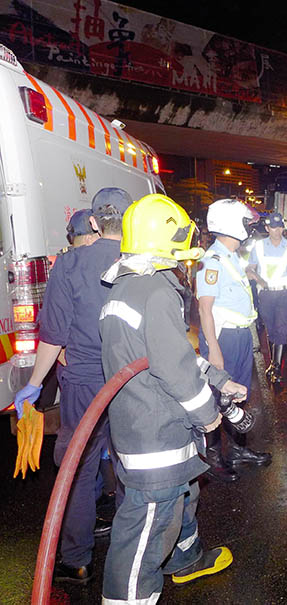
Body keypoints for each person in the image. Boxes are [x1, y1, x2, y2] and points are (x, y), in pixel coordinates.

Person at [99, 194, 245, 602]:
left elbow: (171, 353)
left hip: (143, 423)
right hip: (155, 432)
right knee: (147, 523)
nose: (186, 263)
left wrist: (219, 380)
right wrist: (209, 414)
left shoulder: (128, 285)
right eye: (182, 253)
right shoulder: (157, 292)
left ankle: (185, 558)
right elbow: (175, 370)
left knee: (184, 492)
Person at [13, 187, 131, 584]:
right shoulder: (142, 261)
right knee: (130, 462)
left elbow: (54, 335)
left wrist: (33, 384)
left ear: (95, 222)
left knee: (77, 469)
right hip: (132, 381)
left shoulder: (69, 265)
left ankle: (77, 560)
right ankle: (134, 554)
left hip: (84, 385)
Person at [197, 199, 271, 481]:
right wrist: (214, 349)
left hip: (239, 335)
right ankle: (213, 459)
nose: (248, 229)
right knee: (217, 398)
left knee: (237, 394)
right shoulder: (211, 260)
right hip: (222, 338)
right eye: (244, 223)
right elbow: (205, 307)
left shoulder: (231, 256)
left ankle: (239, 450)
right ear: (229, 225)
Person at [247, 212, 287, 383]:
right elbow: (250, 268)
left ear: (283, 228)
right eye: (273, 227)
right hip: (266, 294)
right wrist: (257, 278)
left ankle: (275, 366)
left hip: (285, 293)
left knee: (282, 327)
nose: (276, 231)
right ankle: (273, 363)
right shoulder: (259, 247)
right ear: (267, 228)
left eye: (279, 227)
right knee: (271, 328)